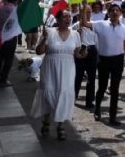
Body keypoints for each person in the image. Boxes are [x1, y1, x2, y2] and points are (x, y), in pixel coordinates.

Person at [31, 9, 86, 140]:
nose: (68, 19)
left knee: (63, 93)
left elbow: (77, 54)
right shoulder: (49, 32)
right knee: (49, 93)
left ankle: (60, 126)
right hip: (50, 67)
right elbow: (39, 51)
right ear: (58, 19)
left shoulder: (75, 34)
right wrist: (44, 38)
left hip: (67, 68)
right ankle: (46, 121)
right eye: (65, 17)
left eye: (69, 17)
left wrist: (83, 54)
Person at [81, 2, 125, 125]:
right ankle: (97, 108)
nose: (115, 12)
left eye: (117, 10)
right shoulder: (101, 25)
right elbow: (84, 24)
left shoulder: (124, 28)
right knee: (102, 87)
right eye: (112, 10)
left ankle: (113, 116)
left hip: (118, 60)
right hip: (104, 60)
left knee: (115, 89)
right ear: (108, 13)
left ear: (119, 13)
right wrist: (83, 9)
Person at [0, 0, 23, 87]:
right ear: (16, 0)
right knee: (8, 60)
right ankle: (3, 79)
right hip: (10, 38)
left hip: (0, 37)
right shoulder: (15, 10)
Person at [72, 5, 98, 109]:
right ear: (80, 13)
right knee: (78, 76)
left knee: (91, 77)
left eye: (89, 12)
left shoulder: (94, 25)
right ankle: (73, 96)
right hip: (80, 51)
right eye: (85, 12)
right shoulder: (75, 26)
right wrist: (76, 34)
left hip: (91, 51)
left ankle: (89, 100)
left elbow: (98, 40)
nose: (87, 15)